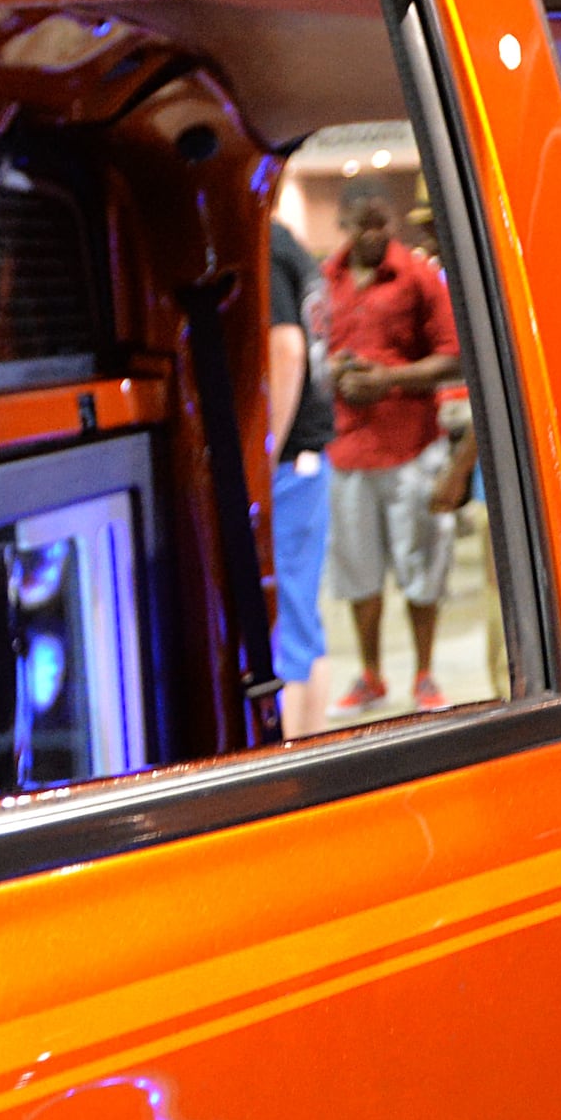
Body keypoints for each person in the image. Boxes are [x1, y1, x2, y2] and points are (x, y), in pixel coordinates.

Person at [319, 186, 461, 714]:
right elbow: (313, 348)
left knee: (422, 566)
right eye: (363, 225)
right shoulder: (326, 280)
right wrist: (332, 370)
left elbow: (454, 356)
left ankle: (425, 675)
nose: (373, 235)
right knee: (357, 573)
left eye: (382, 224)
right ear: (344, 224)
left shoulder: (417, 277)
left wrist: (389, 380)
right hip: (347, 449)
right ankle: (371, 676)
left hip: (411, 445)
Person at [260, 215, 332, 735]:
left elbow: (285, 349)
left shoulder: (264, 245)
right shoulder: (292, 246)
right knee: (302, 623)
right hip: (305, 460)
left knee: (287, 629)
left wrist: (263, 453)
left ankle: (292, 760)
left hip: (288, 464)